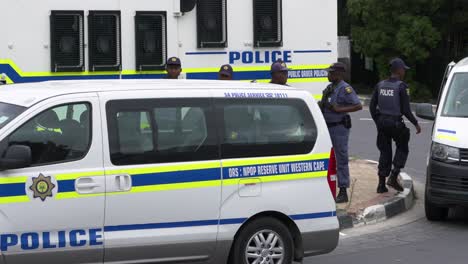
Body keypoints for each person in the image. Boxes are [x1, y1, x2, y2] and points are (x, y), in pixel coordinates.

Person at [370, 58, 422, 193]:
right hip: (395, 124)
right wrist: (416, 123)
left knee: (384, 152)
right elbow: (405, 110)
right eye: (403, 69)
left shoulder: (380, 85)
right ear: (399, 70)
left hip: (382, 123)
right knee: (403, 146)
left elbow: (371, 106)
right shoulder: (402, 86)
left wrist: (378, 121)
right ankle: (394, 175)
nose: (404, 71)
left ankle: (381, 185)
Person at [319, 62, 362, 203]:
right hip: (327, 128)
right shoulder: (329, 88)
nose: (328, 75)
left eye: (331, 72)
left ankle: (343, 190)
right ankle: (327, 187)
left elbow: (358, 105)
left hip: (339, 128)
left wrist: (339, 110)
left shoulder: (345, 89)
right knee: (327, 159)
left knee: (341, 159)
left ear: (339, 74)